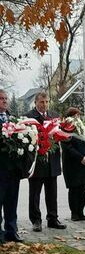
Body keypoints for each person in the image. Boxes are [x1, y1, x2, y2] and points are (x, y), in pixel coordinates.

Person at [25, 91, 66, 232]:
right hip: (37, 161)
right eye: (42, 102)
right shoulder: (29, 117)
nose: (45, 104)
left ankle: (53, 219)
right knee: (35, 193)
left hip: (52, 160)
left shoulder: (54, 116)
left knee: (52, 192)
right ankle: (36, 220)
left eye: (47, 101)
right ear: (36, 102)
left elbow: (59, 134)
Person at [0, 89, 25, 243]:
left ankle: (11, 230)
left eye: (6, 98)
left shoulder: (12, 119)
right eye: (1, 98)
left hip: (12, 169)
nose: (4, 101)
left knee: (12, 201)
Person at [61, 107, 85, 221]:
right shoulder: (65, 129)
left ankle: (81, 211)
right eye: (75, 115)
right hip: (73, 164)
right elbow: (67, 148)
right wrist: (80, 158)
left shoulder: (83, 129)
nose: (77, 118)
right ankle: (74, 213)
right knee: (74, 189)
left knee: (83, 190)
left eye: (78, 115)